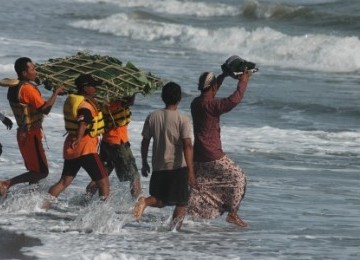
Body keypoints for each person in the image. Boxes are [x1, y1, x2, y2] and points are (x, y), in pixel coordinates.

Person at [187, 69, 251, 227]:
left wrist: (223, 76)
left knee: (200, 186)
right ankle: (232, 214)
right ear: (214, 87)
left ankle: (185, 216)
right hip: (212, 153)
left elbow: (211, 92)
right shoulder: (211, 105)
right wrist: (243, 81)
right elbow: (234, 100)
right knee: (239, 178)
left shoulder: (196, 103)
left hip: (199, 154)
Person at [132, 82, 196, 231]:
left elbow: (145, 141)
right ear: (179, 98)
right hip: (177, 167)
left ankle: (145, 201)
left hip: (158, 165)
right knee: (182, 202)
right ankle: (174, 231)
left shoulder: (153, 116)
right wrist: (191, 171)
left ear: (162, 97)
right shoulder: (183, 119)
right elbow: (187, 145)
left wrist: (144, 162)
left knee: (160, 200)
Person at [0, 57, 64, 197]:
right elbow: (45, 109)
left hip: (23, 134)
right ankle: (6, 183)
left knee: (35, 170)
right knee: (41, 172)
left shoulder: (15, 87)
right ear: (24, 73)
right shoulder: (27, 89)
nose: (36, 72)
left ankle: (30, 199)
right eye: (33, 69)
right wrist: (56, 93)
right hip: (31, 134)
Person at [46, 74, 110, 204]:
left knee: (64, 182)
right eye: (93, 87)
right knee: (103, 182)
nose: (95, 89)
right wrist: (79, 138)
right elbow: (83, 122)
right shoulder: (85, 106)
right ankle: (103, 213)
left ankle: (42, 204)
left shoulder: (74, 100)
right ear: (85, 88)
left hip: (71, 146)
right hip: (85, 147)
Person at [85, 95, 141, 199]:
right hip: (118, 143)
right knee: (134, 177)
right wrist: (134, 92)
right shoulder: (114, 104)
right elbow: (130, 101)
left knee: (102, 174)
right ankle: (137, 207)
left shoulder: (102, 102)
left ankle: (86, 198)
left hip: (106, 142)